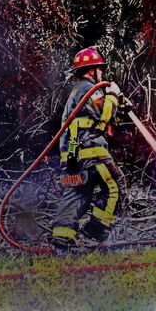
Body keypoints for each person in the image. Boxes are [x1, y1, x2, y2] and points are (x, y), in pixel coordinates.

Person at [50, 46, 124, 252]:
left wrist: (118, 106)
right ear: (92, 70)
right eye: (100, 69)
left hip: (73, 159)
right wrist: (113, 95)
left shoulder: (77, 91)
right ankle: (94, 233)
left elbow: (101, 121)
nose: (102, 73)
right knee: (113, 188)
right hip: (91, 153)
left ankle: (61, 242)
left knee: (77, 195)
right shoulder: (87, 89)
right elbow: (103, 112)